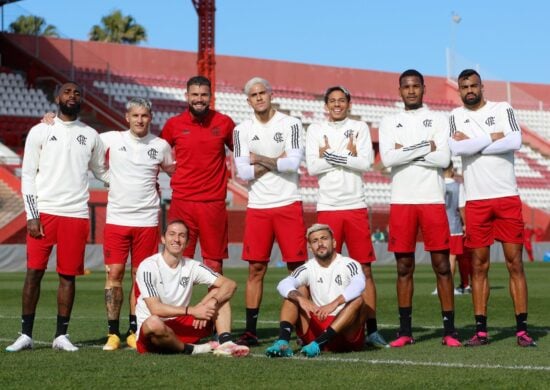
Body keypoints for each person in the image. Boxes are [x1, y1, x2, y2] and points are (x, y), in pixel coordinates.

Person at [6, 82, 108, 352]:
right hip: (45, 212)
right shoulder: (41, 130)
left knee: (68, 276)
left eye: (77, 92)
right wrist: (32, 214)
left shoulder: (91, 135)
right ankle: (25, 334)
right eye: (67, 91)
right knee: (34, 273)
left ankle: (61, 336)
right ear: (57, 98)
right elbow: (27, 175)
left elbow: (101, 171)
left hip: (75, 214)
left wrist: (128, 182)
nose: (72, 95)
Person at [449, 68, 536, 347]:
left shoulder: (502, 108)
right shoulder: (454, 116)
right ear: (460, 90)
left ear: (482, 86)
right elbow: (456, 149)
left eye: (474, 85)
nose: (469, 90)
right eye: (464, 86)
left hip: (506, 196)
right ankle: (481, 330)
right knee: (478, 266)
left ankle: (522, 330)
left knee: (515, 264)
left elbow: (516, 140)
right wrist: (492, 138)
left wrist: (474, 143)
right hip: (476, 201)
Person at [379, 69, 460, 348]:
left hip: (432, 200)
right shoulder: (389, 122)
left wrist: (408, 152)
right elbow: (388, 158)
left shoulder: (439, 119)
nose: (411, 91)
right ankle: (405, 331)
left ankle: (450, 331)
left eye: (416, 86)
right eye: (406, 86)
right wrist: (426, 146)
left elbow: (443, 158)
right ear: (399, 90)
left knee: (442, 266)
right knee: (403, 267)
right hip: (402, 201)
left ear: (424, 89)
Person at [305, 85, 387, 348]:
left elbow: (365, 163)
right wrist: (347, 156)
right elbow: (313, 166)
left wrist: (329, 155)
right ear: (326, 105)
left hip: (355, 205)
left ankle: (372, 330)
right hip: (328, 206)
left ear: (348, 103)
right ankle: (325, 327)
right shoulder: (316, 129)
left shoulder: (360, 128)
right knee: (325, 269)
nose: (337, 105)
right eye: (332, 101)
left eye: (342, 100)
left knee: (364, 269)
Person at [233, 77, 308, 346]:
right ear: (249, 100)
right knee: (255, 269)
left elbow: (294, 163)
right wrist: (278, 161)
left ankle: (303, 328)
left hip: (288, 202)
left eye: (262, 92)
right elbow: (243, 172)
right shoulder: (242, 130)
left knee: (298, 269)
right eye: (253, 95)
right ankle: (251, 331)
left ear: (271, 94)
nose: (259, 97)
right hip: (258, 207)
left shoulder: (291, 124)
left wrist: (260, 159)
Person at [99, 98, 175, 351]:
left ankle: (134, 330)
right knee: (114, 274)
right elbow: (84, 145)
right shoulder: (111, 139)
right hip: (117, 219)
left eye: (144, 116)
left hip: (147, 220)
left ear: (150, 118)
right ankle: (112, 333)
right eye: (135, 116)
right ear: (126, 117)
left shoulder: (161, 145)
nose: (140, 120)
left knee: (139, 277)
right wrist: (108, 177)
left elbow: (174, 171)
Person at [135, 220, 249, 356]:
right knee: (154, 322)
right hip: (154, 332)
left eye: (182, 236)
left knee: (220, 293)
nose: (176, 239)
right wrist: (193, 311)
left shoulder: (192, 266)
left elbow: (230, 284)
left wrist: (207, 305)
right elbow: (156, 309)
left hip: (182, 326)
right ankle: (192, 349)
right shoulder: (148, 266)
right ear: (163, 239)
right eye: (172, 234)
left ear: (187, 242)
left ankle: (226, 343)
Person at [160, 76, 235, 274]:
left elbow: (242, 153)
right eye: (194, 94)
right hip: (182, 202)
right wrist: (168, 168)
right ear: (187, 96)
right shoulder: (173, 124)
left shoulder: (224, 123)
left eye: (203, 95)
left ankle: (213, 306)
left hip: (213, 203)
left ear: (210, 96)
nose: (199, 99)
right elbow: (157, 154)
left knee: (214, 263)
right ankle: (178, 306)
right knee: (178, 260)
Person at [265, 223, 367, 358]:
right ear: (310, 248)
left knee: (358, 300)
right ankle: (282, 342)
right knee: (293, 293)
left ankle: (318, 344)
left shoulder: (349, 264)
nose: (320, 243)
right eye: (315, 241)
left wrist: (334, 304)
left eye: (324, 238)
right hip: (318, 322)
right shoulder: (308, 267)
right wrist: (301, 299)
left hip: (345, 329)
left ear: (334, 242)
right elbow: (284, 284)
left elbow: (359, 284)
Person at [431, 161, 470, 295]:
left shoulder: (436, 185)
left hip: (438, 226)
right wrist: (466, 224)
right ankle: (449, 287)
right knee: (452, 258)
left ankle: (439, 287)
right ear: (452, 169)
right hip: (454, 226)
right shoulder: (458, 187)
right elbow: (462, 208)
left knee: (439, 257)